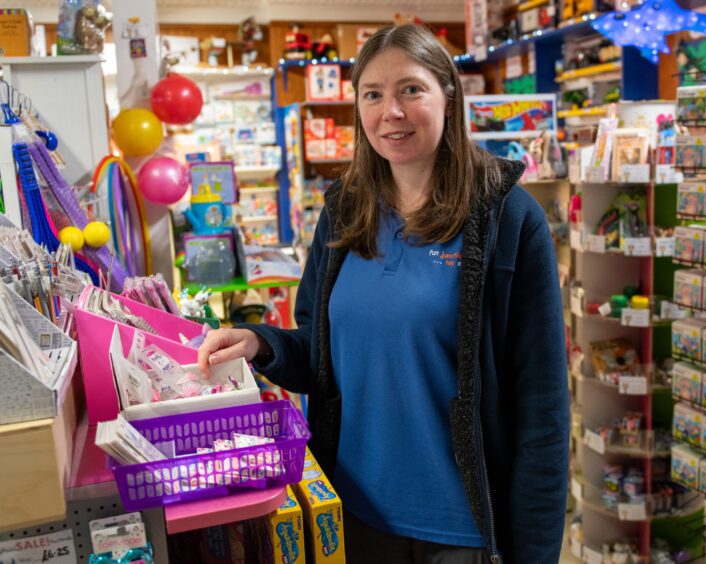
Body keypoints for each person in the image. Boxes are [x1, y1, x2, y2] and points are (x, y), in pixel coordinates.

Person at [198, 23, 568, 564]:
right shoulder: (345, 210)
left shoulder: (508, 218)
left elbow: (543, 410)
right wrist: (261, 344)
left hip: (461, 531)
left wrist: (534, 553)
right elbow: (322, 355)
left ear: (448, 95)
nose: (390, 111)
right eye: (372, 94)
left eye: (411, 90)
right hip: (353, 517)